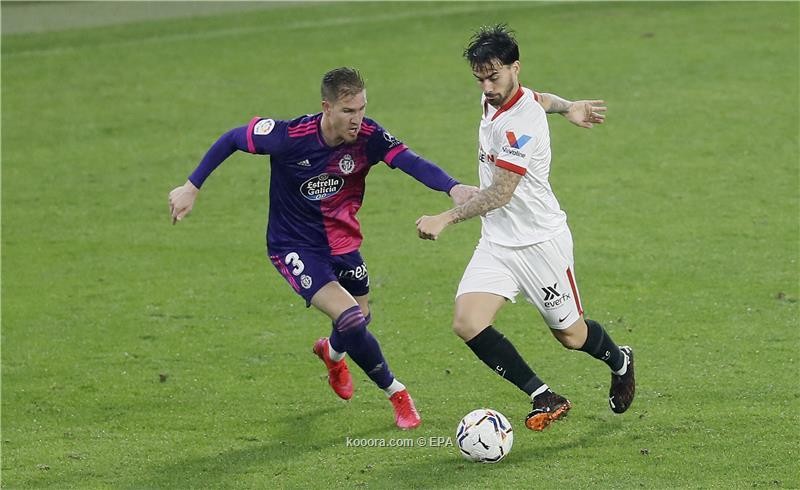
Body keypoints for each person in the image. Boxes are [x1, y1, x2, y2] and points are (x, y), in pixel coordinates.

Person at [169, 67, 477, 430]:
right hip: (293, 245)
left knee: (359, 322)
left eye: (361, 108)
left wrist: (453, 188)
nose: (357, 119)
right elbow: (233, 138)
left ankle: (331, 354)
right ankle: (397, 393)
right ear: (326, 108)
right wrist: (192, 186)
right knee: (348, 318)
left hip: (343, 243)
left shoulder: (368, 136)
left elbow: (409, 161)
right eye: (348, 111)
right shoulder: (288, 136)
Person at [416, 25, 635, 431]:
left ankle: (620, 360)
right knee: (467, 322)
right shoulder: (502, 99)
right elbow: (541, 97)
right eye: (479, 78)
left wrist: (445, 217)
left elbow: (501, 193)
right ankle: (543, 395)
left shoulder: (521, 123)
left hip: (540, 244)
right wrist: (568, 106)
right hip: (498, 242)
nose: (485, 86)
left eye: (493, 76)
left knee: (571, 336)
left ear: (515, 67)